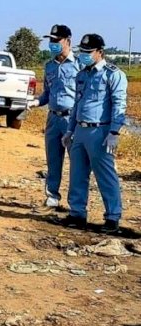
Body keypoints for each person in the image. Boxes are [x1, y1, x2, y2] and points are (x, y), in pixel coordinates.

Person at [61, 33, 127, 234]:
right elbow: (76, 104)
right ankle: (77, 214)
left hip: (101, 131)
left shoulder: (113, 74)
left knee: (106, 176)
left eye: (89, 52)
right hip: (80, 130)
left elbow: (119, 104)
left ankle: (112, 217)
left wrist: (114, 131)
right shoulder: (82, 74)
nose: (85, 55)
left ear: (100, 52)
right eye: (83, 52)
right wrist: (70, 130)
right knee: (77, 174)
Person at [28, 25, 81, 210]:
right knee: (53, 159)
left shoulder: (80, 64)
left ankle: (76, 203)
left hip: (72, 120)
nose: (52, 44)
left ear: (67, 41)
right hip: (53, 119)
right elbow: (47, 93)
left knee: (77, 163)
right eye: (50, 41)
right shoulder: (49, 65)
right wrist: (36, 102)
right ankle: (52, 196)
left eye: (56, 40)